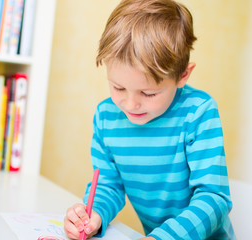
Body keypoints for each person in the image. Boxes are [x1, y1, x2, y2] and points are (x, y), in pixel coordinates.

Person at [64, 0, 236, 239]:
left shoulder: (198, 112)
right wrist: (95, 214)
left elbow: (213, 198)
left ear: (183, 75)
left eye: (149, 93)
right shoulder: (106, 117)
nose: (131, 104)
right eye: (118, 87)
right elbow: (108, 185)